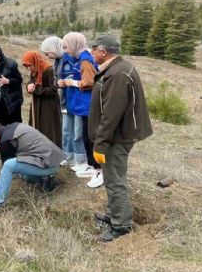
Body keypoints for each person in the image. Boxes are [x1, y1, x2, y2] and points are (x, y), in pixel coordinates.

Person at [88, 33, 153, 241]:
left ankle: (121, 225)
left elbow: (111, 114)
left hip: (117, 137)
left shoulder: (117, 74)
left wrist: (100, 143)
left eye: (94, 49)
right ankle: (114, 214)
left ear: (103, 52)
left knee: (115, 180)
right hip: (116, 135)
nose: (91, 52)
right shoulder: (117, 69)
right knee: (111, 177)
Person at [0, 121, 65, 213]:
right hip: (54, 161)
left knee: (8, 165)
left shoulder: (6, 140)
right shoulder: (14, 127)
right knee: (20, 172)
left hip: (46, 164)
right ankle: (46, 181)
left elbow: (6, 168)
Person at [59, 32, 100, 188]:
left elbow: (89, 82)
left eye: (66, 46)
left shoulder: (85, 60)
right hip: (79, 104)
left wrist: (72, 82)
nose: (66, 50)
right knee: (81, 135)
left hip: (86, 104)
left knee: (86, 136)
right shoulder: (79, 58)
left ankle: (90, 165)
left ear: (74, 44)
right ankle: (85, 164)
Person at [21, 51, 61, 147]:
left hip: (48, 105)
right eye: (27, 67)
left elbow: (53, 89)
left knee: (48, 129)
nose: (29, 69)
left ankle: (50, 151)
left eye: (30, 66)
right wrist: (29, 86)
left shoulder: (48, 70)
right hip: (37, 103)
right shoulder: (34, 71)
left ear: (35, 62)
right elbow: (32, 82)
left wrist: (36, 89)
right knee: (37, 127)